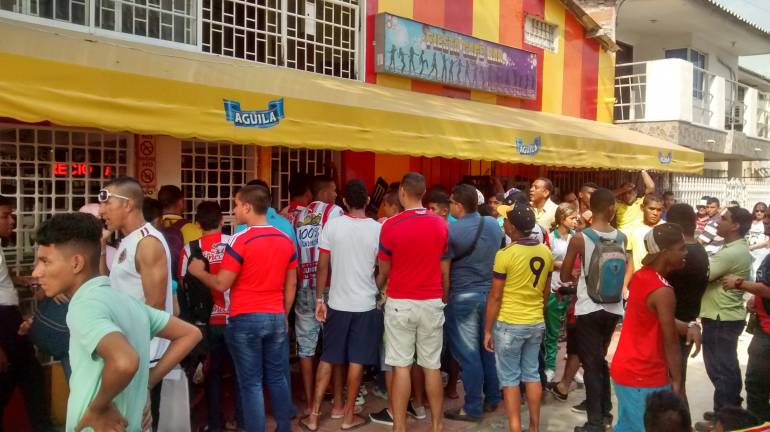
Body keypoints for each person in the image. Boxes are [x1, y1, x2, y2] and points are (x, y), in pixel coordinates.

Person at [32, 212, 201, 432]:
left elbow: (124, 361)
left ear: (76, 263)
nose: (36, 272)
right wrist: (147, 383)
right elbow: (190, 334)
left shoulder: (84, 306)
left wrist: (98, 408)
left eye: (45, 261)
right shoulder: (126, 302)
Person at [188, 184, 297, 432]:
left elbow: (221, 282)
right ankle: (284, 427)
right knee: (277, 377)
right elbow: (291, 284)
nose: (234, 210)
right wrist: (283, 314)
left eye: (236, 205)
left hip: (245, 318)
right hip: (275, 316)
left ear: (247, 207)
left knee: (251, 383)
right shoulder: (285, 239)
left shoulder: (240, 240)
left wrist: (200, 272)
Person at [301, 180, 382, 431]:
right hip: (365, 304)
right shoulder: (377, 229)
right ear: (368, 201)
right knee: (356, 360)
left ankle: (313, 416)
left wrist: (319, 299)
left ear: (344, 201)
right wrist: (375, 287)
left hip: (337, 302)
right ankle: (348, 416)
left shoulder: (332, 226)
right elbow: (383, 266)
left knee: (329, 357)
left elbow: (323, 266)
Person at [99, 176, 175, 430]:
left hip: (143, 357)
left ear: (128, 204)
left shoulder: (147, 243)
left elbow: (154, 310)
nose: (101, 211)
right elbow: (106, 288)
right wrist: (100, 248)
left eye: (107, 203)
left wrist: (139, 369)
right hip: (126, 352)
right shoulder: (127, 240)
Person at [377, 172, 449, 432]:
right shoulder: (440, 224)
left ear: (402, 192)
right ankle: (437, 425)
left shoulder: (390, 226)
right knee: (431, 366)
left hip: (400, 302)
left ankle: (399, 427)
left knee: (401, 366)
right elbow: (441, 263)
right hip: (431, 301)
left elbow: (384, 269)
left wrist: (377, 288)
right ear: (424, 191)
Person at [562, 188, 628, 432]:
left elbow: (566, 273)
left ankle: (595, 423)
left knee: (591, 365)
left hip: (588, 307)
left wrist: (578, 274)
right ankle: (606, 413)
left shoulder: (580, 238)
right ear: (611, 208)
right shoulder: (622, 237)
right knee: (600, 360)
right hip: (613, 308)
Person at [610, 223, 687, 432]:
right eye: (681, 248)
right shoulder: (663, 290)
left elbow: (652, 317)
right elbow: (670, 341)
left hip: (628, 370)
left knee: (627, 426)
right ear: (664, 252)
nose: (685, 253)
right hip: (644, 374)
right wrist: (678, 381)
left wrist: (688, 327)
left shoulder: (641, 276)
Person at [484, 201, 553, 432]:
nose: (503, 222)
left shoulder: (505, 254)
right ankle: (533, 427)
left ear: (512, 228)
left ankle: (515, 427)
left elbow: (495, 296)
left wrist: (487, 329)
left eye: (506, 220)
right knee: (532, 374)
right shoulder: (545, 251)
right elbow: (545, 292)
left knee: (511, 379)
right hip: (535, 322)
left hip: (509, 324)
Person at [178, 201, 242, 431]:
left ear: (197, 224)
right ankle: (241, 420)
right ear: (222, 221)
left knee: (212, 374)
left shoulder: (188, 250)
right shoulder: (235, 244)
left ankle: (216, 423)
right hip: (235, 317)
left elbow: (182, 287)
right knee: (240, 372)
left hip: (205, 322)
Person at [443, 184, 503, 423]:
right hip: (488, 295)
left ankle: (473, 407)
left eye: (450, 203)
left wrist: (445, 297)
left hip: (463, 297)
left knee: (469, 355)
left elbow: (445, 273)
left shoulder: (452, 231)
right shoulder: (492, 224)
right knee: (486, 348)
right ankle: (493, 397)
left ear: (458, 205)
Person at [294, 175, 345, 415]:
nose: (336, 194)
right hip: (330, 288)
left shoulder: (297, 216)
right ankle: (336, 402)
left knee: (306, 347)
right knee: (333, 345)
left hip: (305, 286)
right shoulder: (335, 213)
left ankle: (308, 398)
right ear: (324, 192)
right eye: (333, 190)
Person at [0, 196, 51, 431]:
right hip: (4, 321)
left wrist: (18, 279)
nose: (12, 221)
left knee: (26, 376)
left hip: (9, 319)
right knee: (29, 377)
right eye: (5, 216)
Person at [699, 206, 753, 426]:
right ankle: (723, 411)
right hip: (720, 315)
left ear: (735, 225)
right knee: (722, 368)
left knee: (723, 369)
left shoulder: (732, 251)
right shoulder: (731, 247)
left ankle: (726, 417)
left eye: (724, 219)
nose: (718, 222)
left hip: (723, 318)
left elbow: (705, 273)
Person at [665, 203, 708, 411]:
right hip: (686, 319)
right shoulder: (699, 250)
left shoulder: (682, 257)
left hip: (677, 324)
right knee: (677, 381)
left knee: (674, 383)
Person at [723, 249, 770, 422]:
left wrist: (740, 283)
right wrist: (756, 300)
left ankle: (759, 425)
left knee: (757, 387)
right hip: (763, 328)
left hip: (767, 336)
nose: (766, 221)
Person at [544, 203, 579, 383]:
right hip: (554, 288)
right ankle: (550, 367)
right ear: (561, 218)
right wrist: (565, 265)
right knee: (553, 331)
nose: (575, 221)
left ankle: (573, 369)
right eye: (572, 218)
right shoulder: (550, 238)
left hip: (574, 291)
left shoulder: (577, 238)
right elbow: (547, 261)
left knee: (574, 332)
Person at [233, 180, 297, 246]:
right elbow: (294, 254)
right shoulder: (286, 224)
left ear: (247, 205)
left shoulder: (242, 227)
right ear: (270, 199)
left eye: (237, 205)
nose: (234, 210)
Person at [627, 194, 665, 274]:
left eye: (659, 210)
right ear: (642, 208)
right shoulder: (635, 226)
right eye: (651, 209)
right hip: (636, 279)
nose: (655, 213)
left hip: (656, 281)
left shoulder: (665, 229)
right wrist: (625, 284)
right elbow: (632, 257)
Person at [749, 202, 769, 281]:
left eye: (762, 211)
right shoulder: (750, 223)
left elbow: (767, 242)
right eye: (757, 211)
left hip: (761, 252)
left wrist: (752, 247)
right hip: (749, 252)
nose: (759, 213)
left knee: (757, 273)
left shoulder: (766, 223)